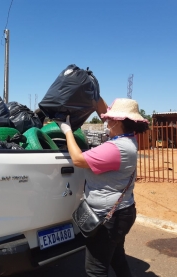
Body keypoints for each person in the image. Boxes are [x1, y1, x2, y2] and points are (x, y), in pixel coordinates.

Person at [56, 97, 149, 277]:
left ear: (118, 122)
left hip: (108, 217)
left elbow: (77, 159)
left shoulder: (116, 148)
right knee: (117, 258)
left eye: (110, 119)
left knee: (95, 269)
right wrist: (94, 94)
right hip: (122, 211)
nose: (106, 121)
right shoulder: (129, 139)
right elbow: (104, 112)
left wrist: (67, 132)